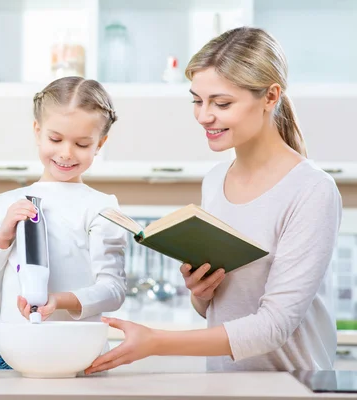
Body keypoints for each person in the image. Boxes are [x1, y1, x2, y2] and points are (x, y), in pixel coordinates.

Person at [85, 26, 342, 374]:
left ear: (270, 97)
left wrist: (156, 342)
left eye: (222, 103)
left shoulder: (312, 190)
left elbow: (273, 327)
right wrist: (201, 293)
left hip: (290, 389)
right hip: (223, 385)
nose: (204, 116)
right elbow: (217, 311)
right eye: (197, 100)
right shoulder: (216, 180)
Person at [0, 76, 127, 369]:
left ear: (100, 143)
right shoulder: (6, 203)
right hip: (16, 352)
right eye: (55, 139)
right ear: (37, 131)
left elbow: (113, 289)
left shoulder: (101, 206)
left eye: (82, 144)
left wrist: (59, 300)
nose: (66, 153)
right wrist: (3, 236)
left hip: (81, 352)